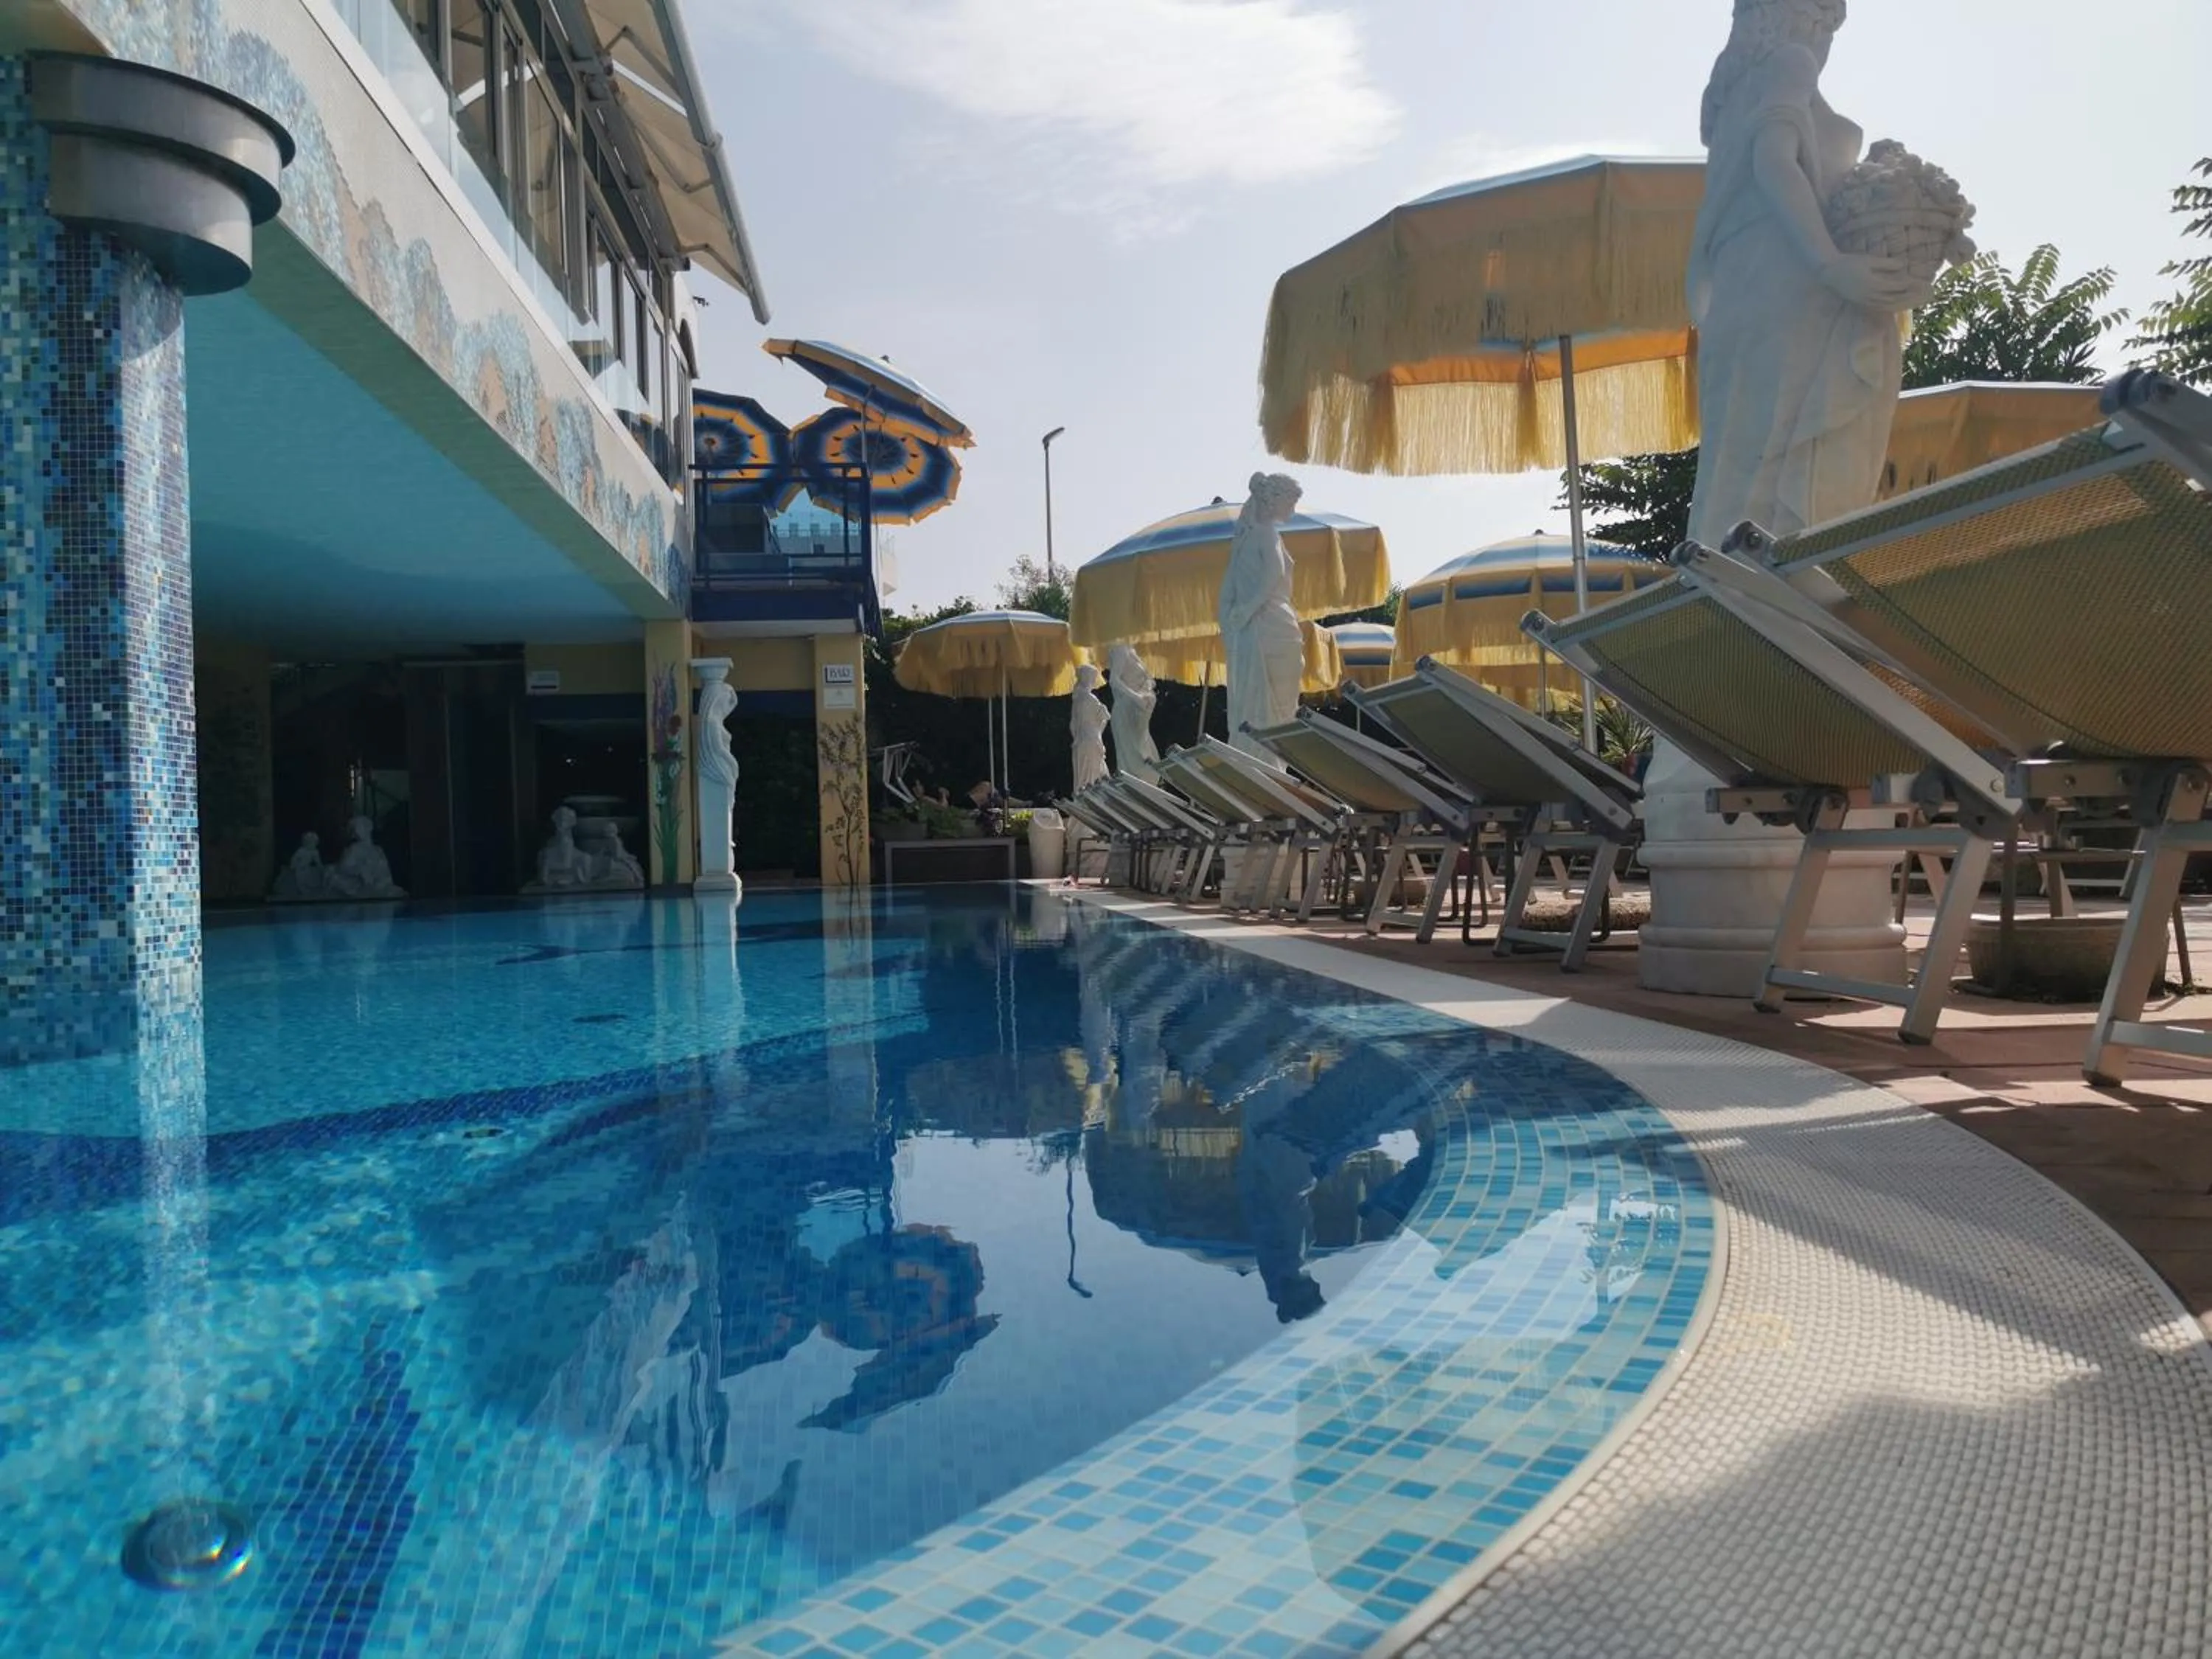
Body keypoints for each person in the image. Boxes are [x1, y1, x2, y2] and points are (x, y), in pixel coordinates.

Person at [1685, 0, 1926, 548]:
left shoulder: (1728, 96)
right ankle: (1785, 595)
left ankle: (1739, 595)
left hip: (1744, 293)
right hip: (1795, 282)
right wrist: (1831, 264)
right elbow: (1776, 159)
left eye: (1830, 25)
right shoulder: (1790, 62)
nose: (1824, 37)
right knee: (1798, 455)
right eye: (1818, 19)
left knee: (1741, 460)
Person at [1218, 473, 1305, 761]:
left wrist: (1235, 615)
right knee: (1277, 707)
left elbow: (1227, 590)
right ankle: (1266, 762)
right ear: (1275, 499)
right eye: (1292, 501)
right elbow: (1274, 574)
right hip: (1270, 625)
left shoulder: (1246, 539)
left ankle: (1259, 760)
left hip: (1261, 626)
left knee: (1262, 701)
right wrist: (1247, 610)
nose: (1293, 508)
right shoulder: (1266, 533)